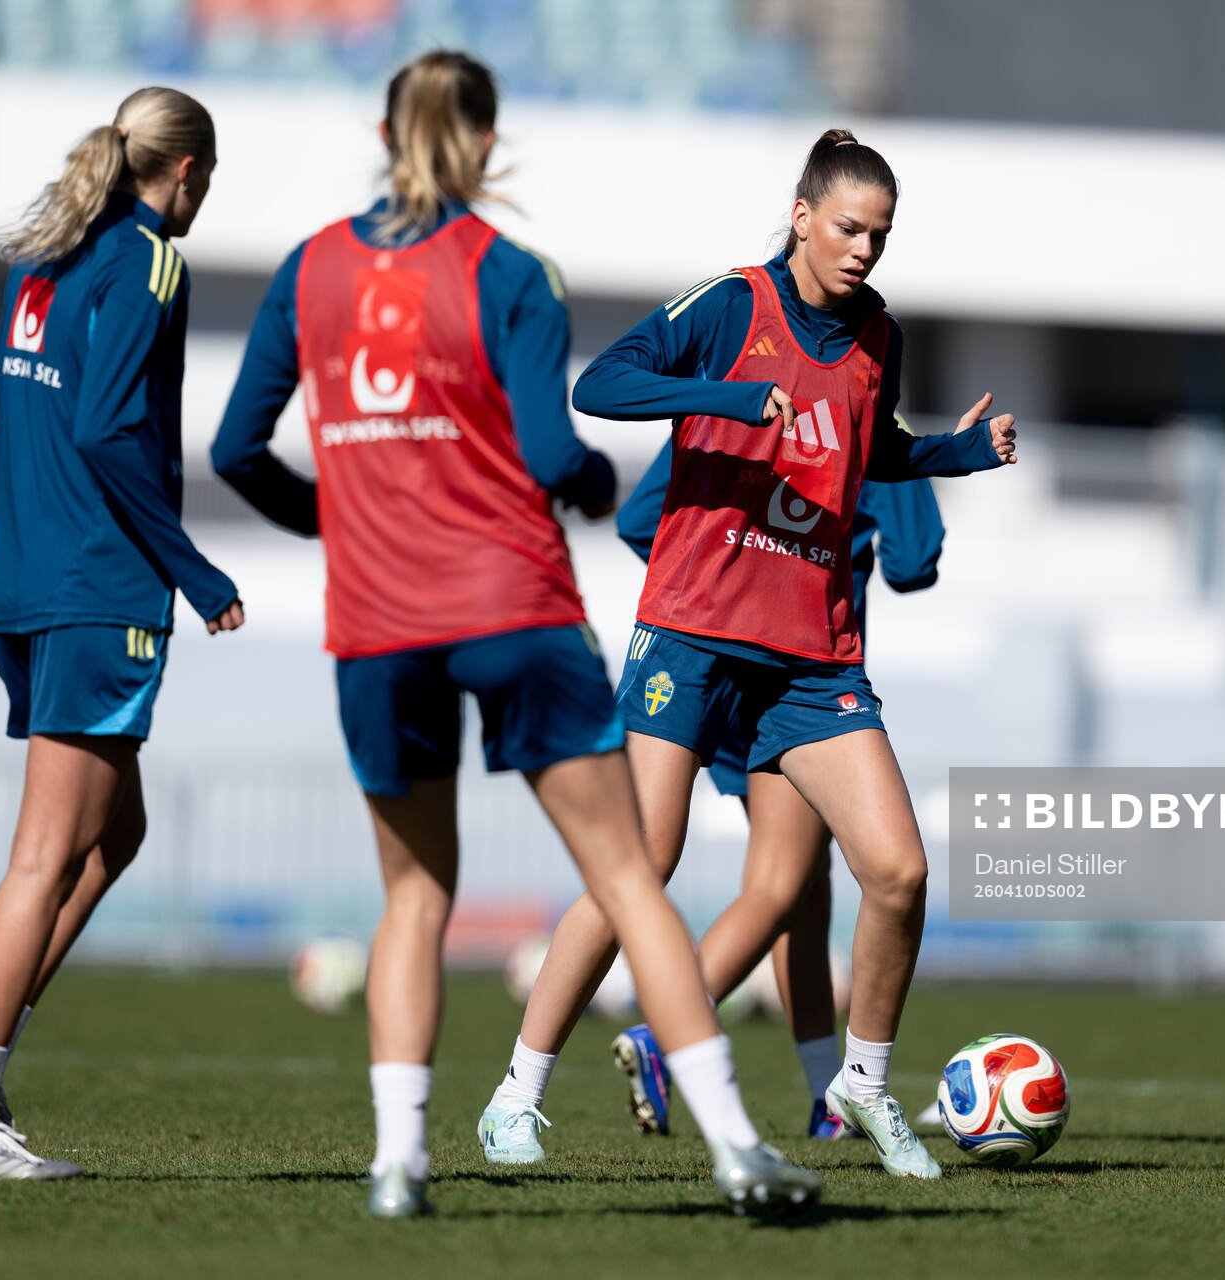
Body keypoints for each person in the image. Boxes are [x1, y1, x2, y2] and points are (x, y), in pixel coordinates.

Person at [210, 50, 820, 1219]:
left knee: (413, 895)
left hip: (377, 624)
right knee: (629, 876)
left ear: (383, 131)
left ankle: (398, 1164)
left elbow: (239, 449)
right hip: (513, 607)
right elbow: (552, 455)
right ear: (487, 144)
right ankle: (739, 1146)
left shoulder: (310, 268)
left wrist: (337, 524)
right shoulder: (510, 271)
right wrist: (596, 486)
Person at [478, 128, 1018, 1180]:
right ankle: (517, 1092)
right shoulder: (732, 303)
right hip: (692, 630)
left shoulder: (879, 337)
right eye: (849, 226)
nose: (864, 248)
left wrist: (956, 452)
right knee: (642, 861)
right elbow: (603, 384)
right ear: (804, 215)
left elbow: (879, 451)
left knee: (898, 872)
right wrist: (725, 398)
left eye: (882, 233)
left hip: (815, 656)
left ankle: (859, 1085)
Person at [0, 87, 242, 1182]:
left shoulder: (46, 254)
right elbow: (111, 429)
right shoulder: (150, 259)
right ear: (187, 174)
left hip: (20, 587)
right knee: (45, 856)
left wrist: (44, 527)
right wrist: (193, 572)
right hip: (98, 595)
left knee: (117, 837)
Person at [604, 437, 944, 1141]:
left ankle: (827, 1100)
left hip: (703, 663)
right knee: (781, 883)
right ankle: (667, 1035)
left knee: (804, 887)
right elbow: (913, 564)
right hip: (794, 683)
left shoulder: (737, 400)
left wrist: (720, 580)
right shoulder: (867, 416)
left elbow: (641, 521)